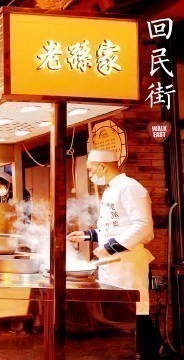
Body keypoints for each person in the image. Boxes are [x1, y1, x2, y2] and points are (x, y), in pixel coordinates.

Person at [67, 150, 156, 359]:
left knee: (137, 312)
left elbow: (144, 226)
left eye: (90, 169)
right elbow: (114, 228)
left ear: (103, 167)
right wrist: (88, 235)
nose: (90, 174)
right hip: (112, 264)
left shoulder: (131, 188)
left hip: (127, 264)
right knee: (118, 316)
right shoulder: (110, 190)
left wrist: (111, 247)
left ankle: (146, 354)